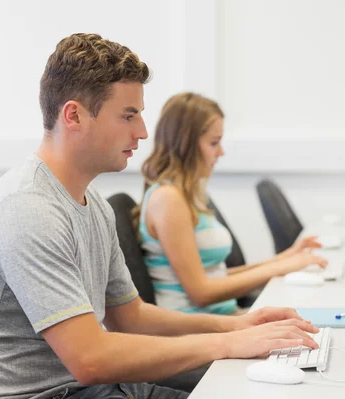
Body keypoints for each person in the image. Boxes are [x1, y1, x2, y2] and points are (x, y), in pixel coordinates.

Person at [0, 34, 320, 399]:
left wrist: (238, 324)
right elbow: (90, 359)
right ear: (74, 115)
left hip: (93, 389)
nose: (142, 133)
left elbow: (131, 317)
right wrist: (227, 342)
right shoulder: (25, 208)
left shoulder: (91, 202)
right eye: (128, 116)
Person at [135, 92, 328, 315]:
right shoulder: (168, 199)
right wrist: (278, 268)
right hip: (199, 330)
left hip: (223, 318)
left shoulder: (187, 195)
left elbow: (216, 277)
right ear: (185, 144)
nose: (221, 151)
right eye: (214, 143)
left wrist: (285, 259)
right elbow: (201, 292)